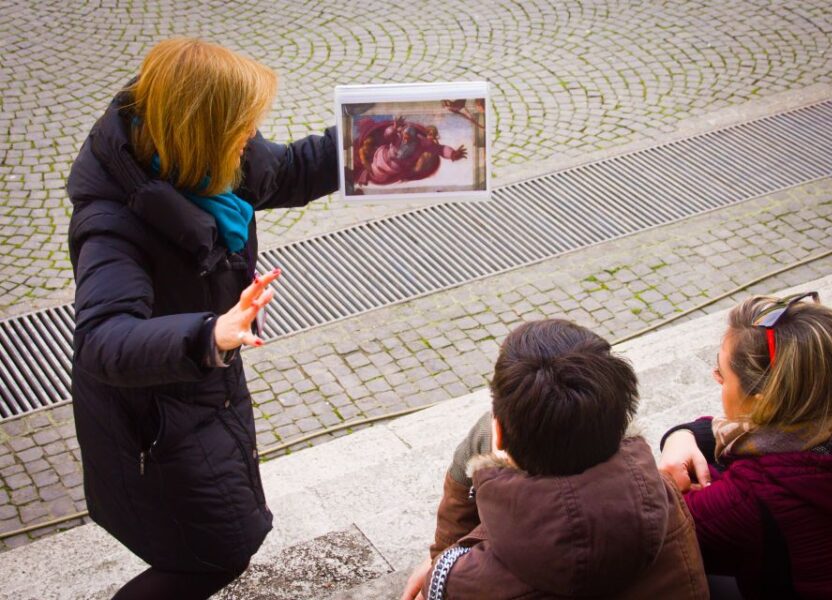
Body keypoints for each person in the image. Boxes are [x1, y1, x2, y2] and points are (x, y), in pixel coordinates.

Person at [66, 38, 337, 599]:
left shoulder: (207, 155)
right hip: (157, 414)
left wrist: (377, 134)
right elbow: (101, 338)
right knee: (219, 550)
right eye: (242, 130)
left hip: (201, 389)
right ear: (204, 134)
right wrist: (208, 333)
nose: (251, 139)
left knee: (224, 540)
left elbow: (288, 171)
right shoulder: (112, 222)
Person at [403, 319, 709, 599]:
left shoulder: (461, 581)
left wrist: (442, 564)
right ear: (619, 427)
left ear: (498, 436)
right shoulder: (666, 501)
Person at [658, 292, 832, 598]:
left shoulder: (750, 497)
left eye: (721, 374)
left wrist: (673, 455)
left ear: (765, 402)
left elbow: (659, 534)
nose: (717, 379)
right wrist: (684, 434)